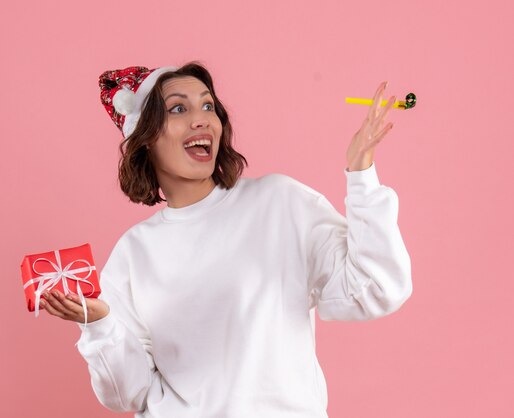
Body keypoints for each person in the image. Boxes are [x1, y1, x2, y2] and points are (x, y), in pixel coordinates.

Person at [37, 61, 412, 418]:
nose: (202, 118)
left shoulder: (279, 203)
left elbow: (375, 288)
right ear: (145, 138)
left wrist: (361, 175)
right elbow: (127, 393)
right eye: (178, 109)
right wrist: (99, 324)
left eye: (208, 106)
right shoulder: (134, 253)